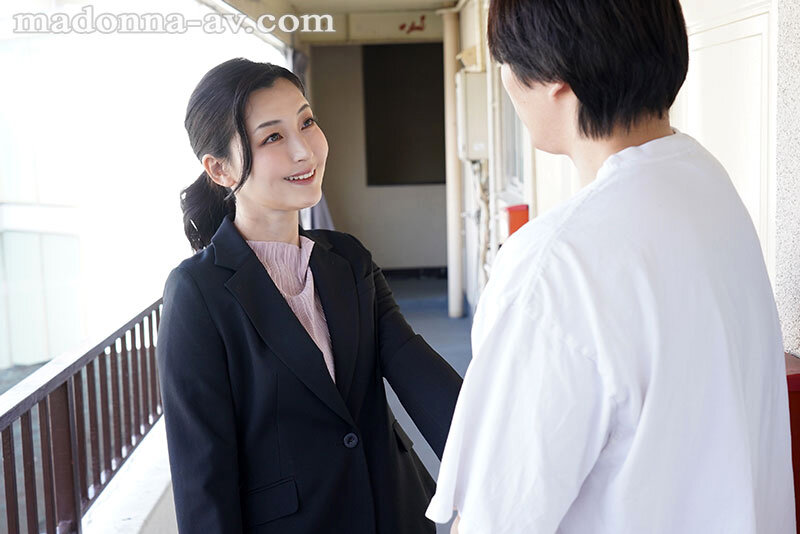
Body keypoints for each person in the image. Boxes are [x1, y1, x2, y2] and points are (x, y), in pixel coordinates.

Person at [425, 1, 795, 533]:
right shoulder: (705, 181)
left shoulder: (554, 266)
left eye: (506, 61)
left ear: (553, 75)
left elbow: (496, 517)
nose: (506, 81)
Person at [155, 58, 462, 534]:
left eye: (306, 122)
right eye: (272, 137)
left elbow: (418, 373)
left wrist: (496, 473)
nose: (304, 150)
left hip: (395, 513)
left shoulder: (348, 260)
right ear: (219, 169)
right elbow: (203, 478)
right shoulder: (198, 293)